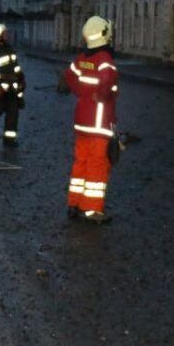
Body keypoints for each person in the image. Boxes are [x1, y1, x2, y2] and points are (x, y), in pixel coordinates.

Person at [58, 16, 119, 224]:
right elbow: (107, 81)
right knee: (97, 164)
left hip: (82, 120)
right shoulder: (105, 59)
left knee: (81, 162)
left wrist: (81, 92)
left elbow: (69, 76)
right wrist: (101, 96)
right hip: (99, 124)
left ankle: (74, 203)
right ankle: (92, 209)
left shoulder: (82, 58)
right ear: (104, 34)